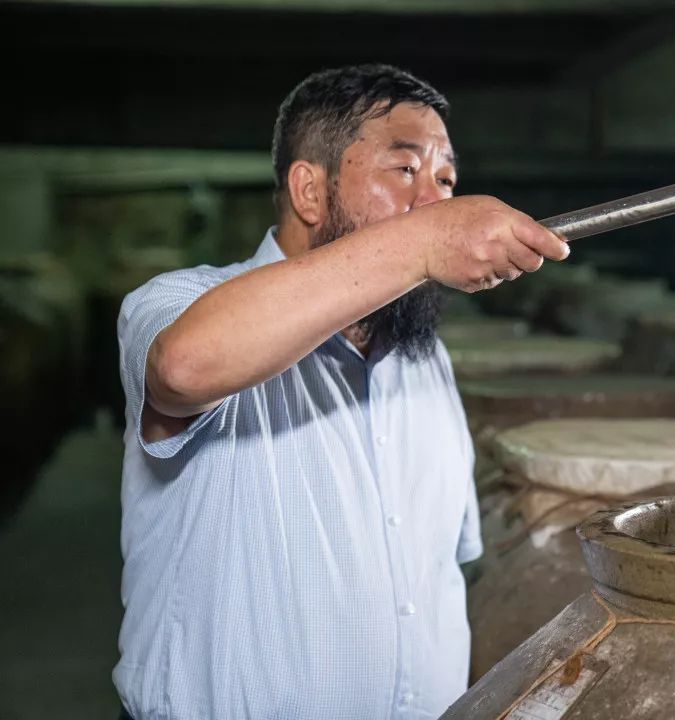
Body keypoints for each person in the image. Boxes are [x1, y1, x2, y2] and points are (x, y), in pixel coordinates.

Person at [113, 63, 570, 720]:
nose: (435, 199)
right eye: (405, 171)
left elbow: (438, 578)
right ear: (309, 191)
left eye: (446, 179)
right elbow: (184, 367)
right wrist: (424, 243)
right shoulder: (177, 301)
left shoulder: (421, 357)